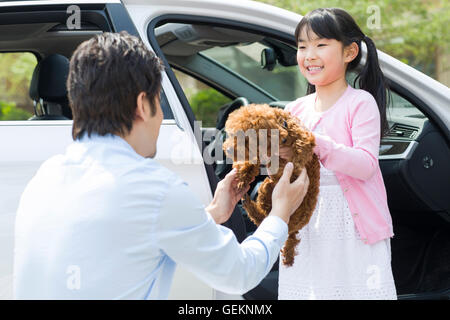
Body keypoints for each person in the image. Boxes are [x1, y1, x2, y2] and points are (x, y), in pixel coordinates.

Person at [13, 31, 310, 299]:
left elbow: (128, 235)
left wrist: (213, 214)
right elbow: (239, 275)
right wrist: (281, 212)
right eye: (159, 102)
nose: (159, 122)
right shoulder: (153, 188)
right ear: (143, 105)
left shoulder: (47, 175)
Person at [277, 8, 397, 300]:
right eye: (302, 47)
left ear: (349, 52)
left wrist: (314, 141)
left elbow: (366, 165)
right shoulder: (295, 109)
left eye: (320, 44)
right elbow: (287, 170)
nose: (309, 54)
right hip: (307, 229)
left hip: (353, 230)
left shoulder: (360, 103)